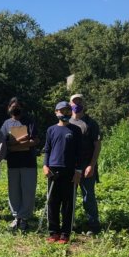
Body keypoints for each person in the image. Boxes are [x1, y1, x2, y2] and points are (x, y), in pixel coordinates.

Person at [42, 102, 82, 244]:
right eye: (62, 111)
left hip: (70, 170)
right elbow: (47, 149)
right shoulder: (51, 130)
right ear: (56, 112)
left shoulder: (75, 130)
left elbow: (80, 152)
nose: (64, 114)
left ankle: (65, 233)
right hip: (53, 169)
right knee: (53, 202)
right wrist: (45, 166)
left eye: (67, 111)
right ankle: (54, 232)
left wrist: (78, 171)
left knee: (68, 203)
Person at [0, 97, 40, 232]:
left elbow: (34, 140)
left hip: (28, 162)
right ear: (9, 108)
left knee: (28, 191)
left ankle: (24, 218)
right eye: (12, 105)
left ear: (21, 107)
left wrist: (14, 144)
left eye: (17, 106)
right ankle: (16, 217)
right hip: (13, 163)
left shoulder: (29, 121)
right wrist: (22, 140)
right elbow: (3, 142)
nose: (15, 108)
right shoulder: (6, 124)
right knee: (14, 191)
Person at [69, 94, 103, 236]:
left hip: (86, 165)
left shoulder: (91, 123)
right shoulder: (66, 122)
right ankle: (69, 223)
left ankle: (93, 225)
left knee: (88, 196)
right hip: (69, 167)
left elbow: (97, 145)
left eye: (80, 101)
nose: (77, 104)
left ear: (84, 104)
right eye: (74, 102)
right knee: (69, 196)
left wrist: (92, 165)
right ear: (70, 104)